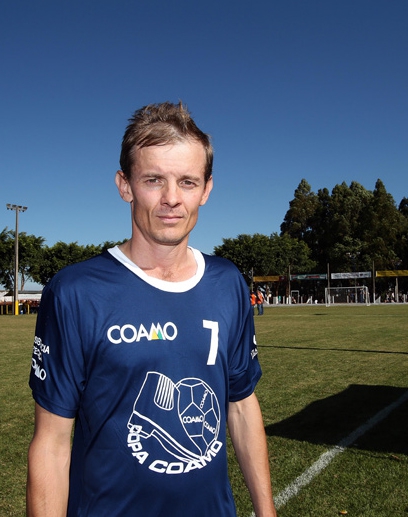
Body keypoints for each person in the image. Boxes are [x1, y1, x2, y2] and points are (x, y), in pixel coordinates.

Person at [26, 101, 276, 517]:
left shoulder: (227, 282)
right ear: (125, 185)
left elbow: (241, 405)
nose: (171, 199)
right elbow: (51, 444)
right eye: (154, 180)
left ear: (207, 189)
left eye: (188, 182)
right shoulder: (76, 292)